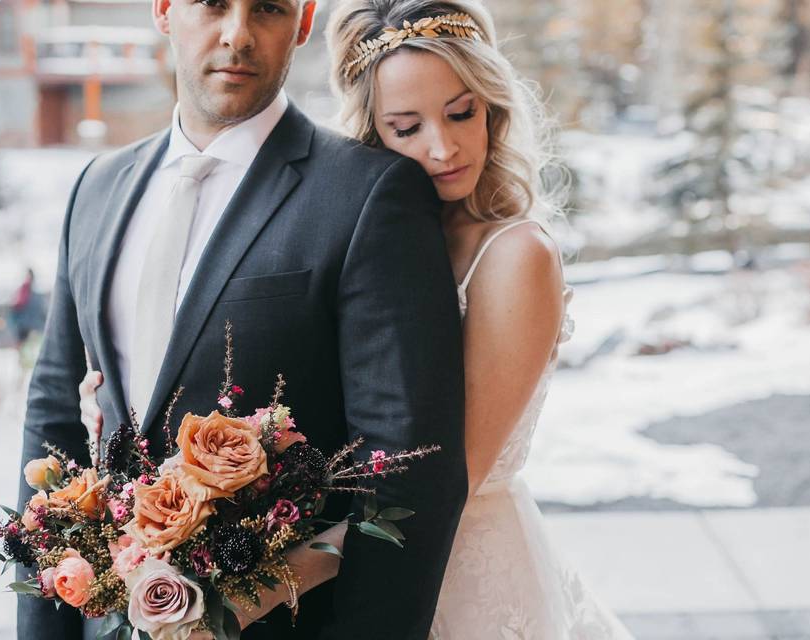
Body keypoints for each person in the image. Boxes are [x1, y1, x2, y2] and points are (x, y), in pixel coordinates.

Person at [84, 0, 637, 637]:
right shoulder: (374, 225)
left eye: (462, 113)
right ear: (376, 130)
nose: (443, 147)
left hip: (454, 575)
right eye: (407, 128)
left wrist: (250, 593)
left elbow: (435, 487)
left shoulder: (514, 255)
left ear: (494, 106)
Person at [17, 0, 469, 638]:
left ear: (303, 22)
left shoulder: (369, 194)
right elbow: (54, 419)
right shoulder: (97, 187)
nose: (238, 35)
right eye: (212, 5)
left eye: (268, 9)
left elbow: (407, 469)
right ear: (165, 10)